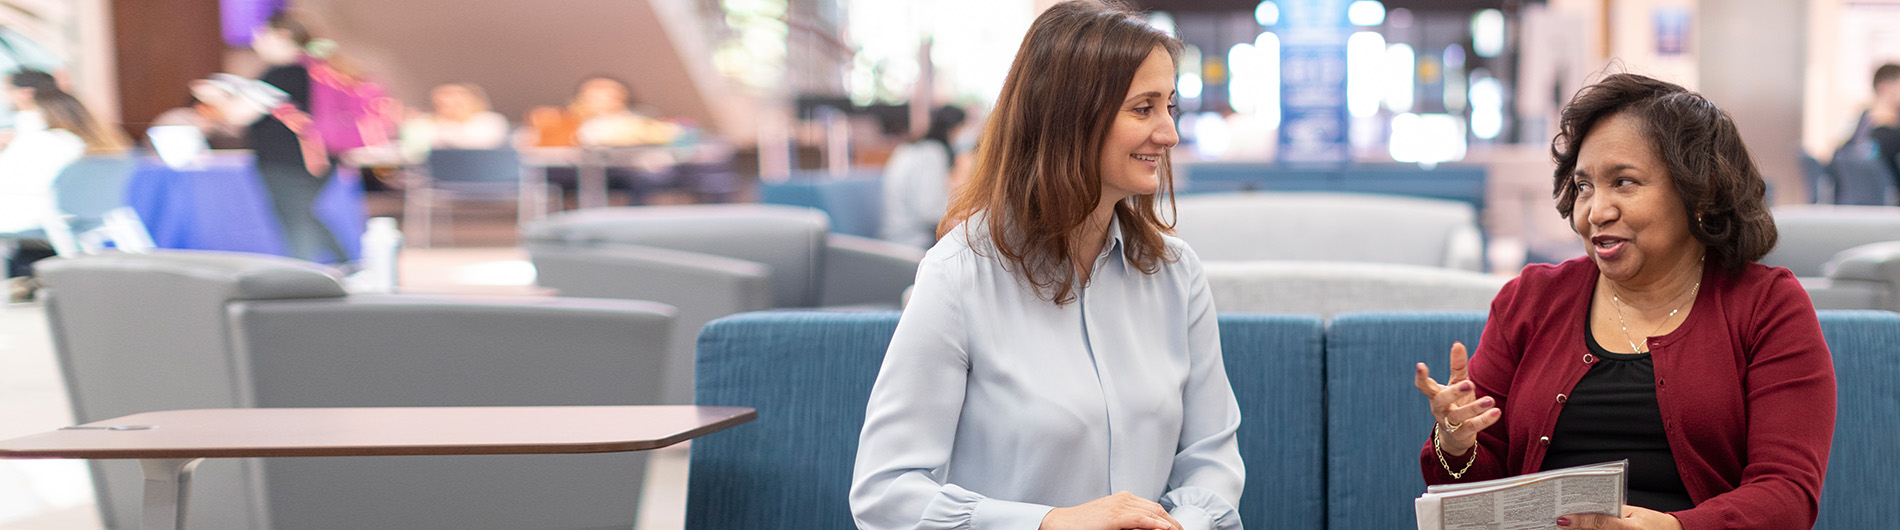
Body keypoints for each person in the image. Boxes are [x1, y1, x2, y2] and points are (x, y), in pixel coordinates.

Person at [850, 2, 1243, 530]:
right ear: (1070, 118)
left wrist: (1180, 525)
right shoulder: (959, 273)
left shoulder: (1176, 272)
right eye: (1144, 109)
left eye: (1169, 106)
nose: (1169, 133)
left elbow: (1211, 462)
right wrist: (1049, 523)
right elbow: (884, 493)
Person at [1412, 74, 1834, 530]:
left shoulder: (1767, 306)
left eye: (1624, 183)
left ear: (1700, 193)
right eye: (1585, 186)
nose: (1596, 211)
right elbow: (1467, 494)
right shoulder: (1531, 300)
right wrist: (1456, 442)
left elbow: (1787, 494)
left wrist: (1672, 528)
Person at [249, 12, 350, 263]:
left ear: (282, 36)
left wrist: (219, 96)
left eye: (261, 36)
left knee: (295, 221)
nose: (256, 43)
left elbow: (242, 114)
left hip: (290, 161)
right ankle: (349, 265)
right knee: (304, 216)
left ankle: (302, 276)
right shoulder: (320, 68)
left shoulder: (282, 74)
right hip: (322, 156)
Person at [879, 105, 968, 248]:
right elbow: (930, 211)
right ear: (953, 129)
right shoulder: (932, 154)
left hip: (896, 234)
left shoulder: (910, 148)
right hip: (911, 240)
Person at [399, 83, 509, 161]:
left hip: (483, 175)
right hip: (437, 180)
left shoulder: (490, 121)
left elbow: (480, 144)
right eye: (441, 105)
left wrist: (445, 129)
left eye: (456, 104)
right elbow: (413, 152)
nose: (449, 109)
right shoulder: (426, 124)